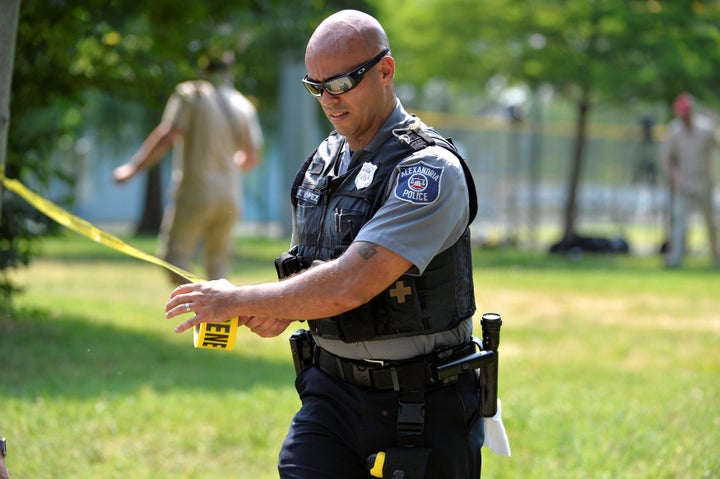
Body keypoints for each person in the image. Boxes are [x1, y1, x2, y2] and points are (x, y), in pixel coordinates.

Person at [166, 10, 486, 478]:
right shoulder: (324, 159)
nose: (328, 100)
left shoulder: (430, 171)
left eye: (341, 83)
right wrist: (280, 308)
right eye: (315, 87)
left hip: (421, 404)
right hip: (330, 394)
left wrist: (237, 298)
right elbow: (313, 272)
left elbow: (351, 282)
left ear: (385, 71)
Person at [114, 52, 264, 284]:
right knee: (219, 267)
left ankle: (202, 304)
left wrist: (132, 168)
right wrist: (225, 170)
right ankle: (218, 312)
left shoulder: (190, 93)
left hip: (195, 192)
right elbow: (251, 156)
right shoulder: (242, 103)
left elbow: (168, 135)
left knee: (173, 257)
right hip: (230, 195)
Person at [661, 92, 720, 268]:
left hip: (704, 181)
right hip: (683, 183)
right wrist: (675, 177)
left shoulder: (706, 128)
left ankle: (716, 257)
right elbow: (667, 159)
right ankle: (675, 259)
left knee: (710, 222)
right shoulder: (674, 130)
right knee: (679, 221)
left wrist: (716, 124)